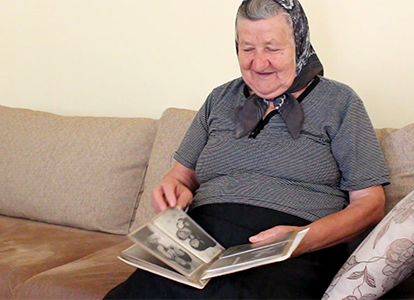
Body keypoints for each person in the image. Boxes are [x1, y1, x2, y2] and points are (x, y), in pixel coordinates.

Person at [104, 0, 389, 299]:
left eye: (272, 48)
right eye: (247, 49)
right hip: (203, 242)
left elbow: (370, 203)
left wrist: (301, 240)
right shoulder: (219, 99)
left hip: (290, 251)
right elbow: (181, 177)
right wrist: (172, 190)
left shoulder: (340, 101)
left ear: (299, 44)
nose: (259, 63)